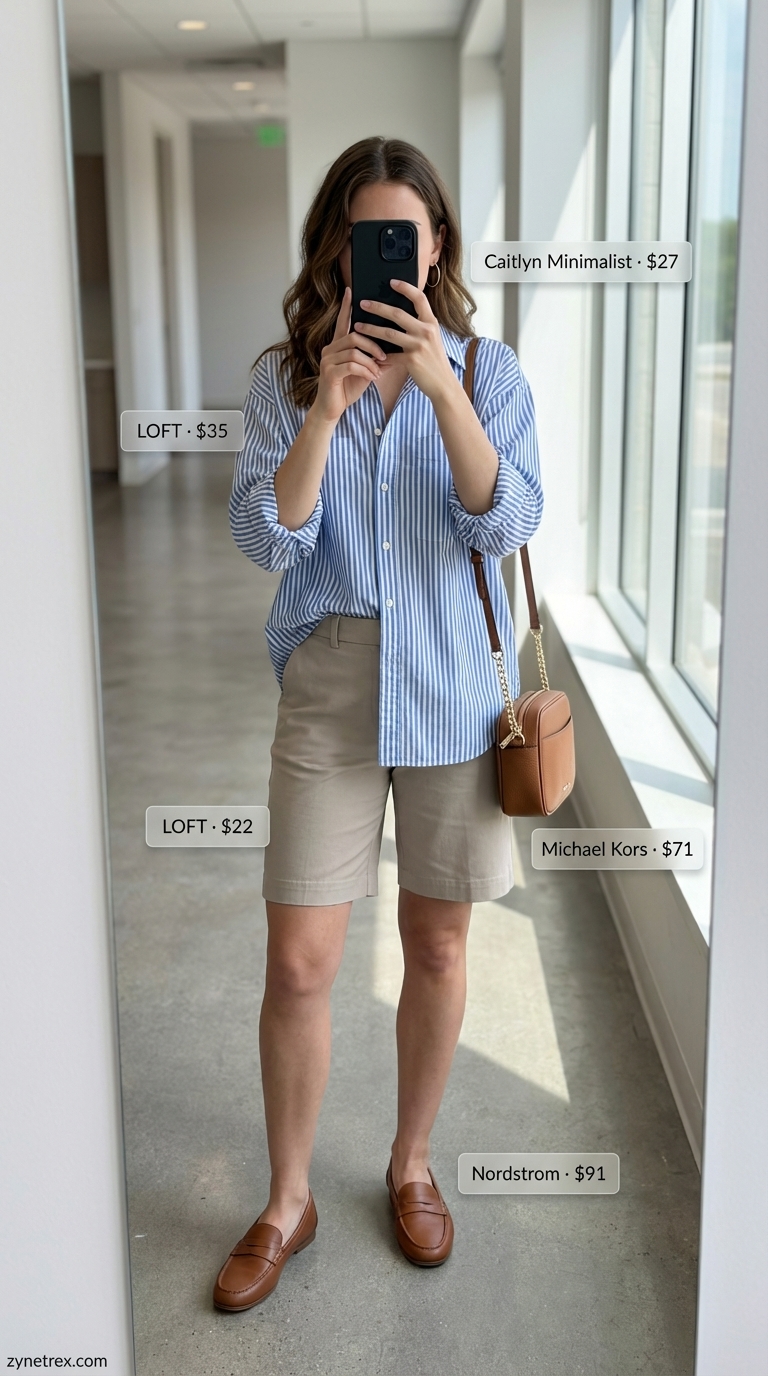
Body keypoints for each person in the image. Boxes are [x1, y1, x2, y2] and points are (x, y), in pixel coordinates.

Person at [213, 136, 542, 1311]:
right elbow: (266, 538)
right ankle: (287, 1198)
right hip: (335, 672)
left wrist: (443, 388)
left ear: (437, 244)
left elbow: (506, 523)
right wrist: (328, 406)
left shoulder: (490, 368)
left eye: (407, 232)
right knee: (301, 960)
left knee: (440, 944)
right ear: (338, 245)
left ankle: (409, 1161)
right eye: (365, 235)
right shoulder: (284, 376)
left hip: (455, 681)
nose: (386, 252)